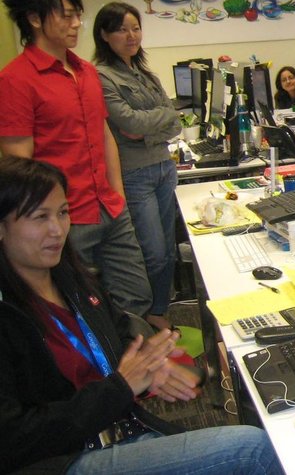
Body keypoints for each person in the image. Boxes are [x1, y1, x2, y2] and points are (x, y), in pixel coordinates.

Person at [0, 156, 280, 474]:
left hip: (118, 430)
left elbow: (118, 339)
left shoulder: (70, 279)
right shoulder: (9, 312)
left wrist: (152, 370)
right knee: (253, 450)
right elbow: (13, 438)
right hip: (65, 459)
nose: (57, 230)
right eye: (40, 217)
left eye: (63, 213)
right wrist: (120, 388)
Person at [0, 0, 153, 320]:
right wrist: (50, 219)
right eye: (66, 15)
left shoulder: (85, 71)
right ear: (35, 19)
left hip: (109, 206)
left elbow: (103, 135)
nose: (75, 24)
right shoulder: (15, 80)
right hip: (66, 219)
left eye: (77, 15)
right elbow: (21, 167)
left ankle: (136, 367)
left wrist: (117, 195)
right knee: (78, 309)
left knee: (135, 296)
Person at [92, 2, 181, 332]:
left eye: (135, 28)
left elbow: (174, 122)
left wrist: (148, 127)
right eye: (121, 29)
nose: (131, 36)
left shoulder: (144, 74)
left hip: (163, 167)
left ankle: (158, 310)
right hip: (134, 174)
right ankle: (142, 318)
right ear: (104, 34)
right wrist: (155, 123)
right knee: (153, 252)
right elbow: (126, 123)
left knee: (169, 250)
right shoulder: (101, 76)